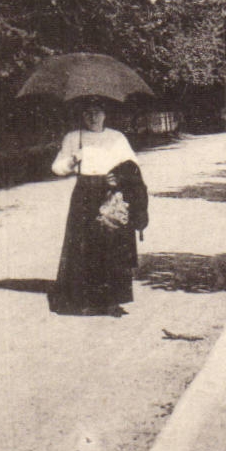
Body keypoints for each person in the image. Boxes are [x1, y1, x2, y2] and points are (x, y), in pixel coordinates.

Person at [49, 98, 148, 316]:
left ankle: (112, 300)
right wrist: (73, 160)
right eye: (87, 113)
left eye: (97, 112)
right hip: (84, 193)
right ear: (82, 115)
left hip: (111, 194)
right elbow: (57, 168)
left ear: (105, 114)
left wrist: (119, 177)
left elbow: (132, 165)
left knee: (113, 245)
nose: (92, 117)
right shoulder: (73, 137)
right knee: (83, 245)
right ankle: (84, 300)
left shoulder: (117, 137)